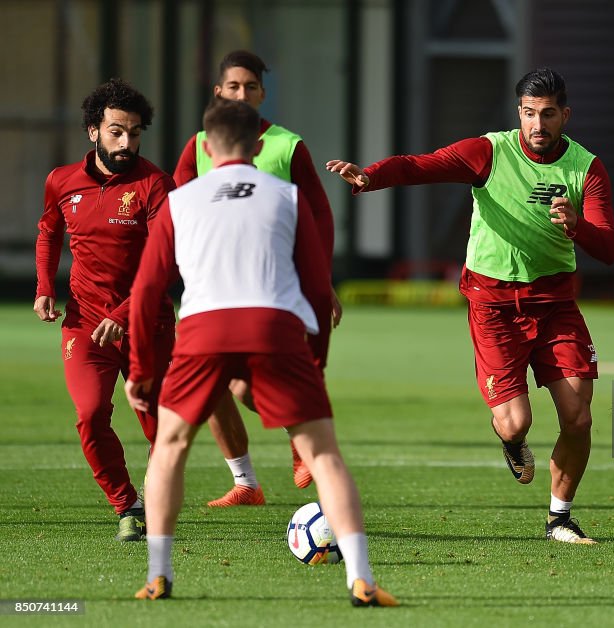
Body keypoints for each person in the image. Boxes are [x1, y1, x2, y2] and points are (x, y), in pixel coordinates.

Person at [326, 67, 614, 544]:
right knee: (515, 420)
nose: (537, 125)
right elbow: (425, 165)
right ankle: (512, 439)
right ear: (518, 114)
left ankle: (559, 519)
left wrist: (576, 227)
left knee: (579, 415)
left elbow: (608, 247)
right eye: (528, 114)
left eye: (547, 115)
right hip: (493, 304)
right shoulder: (490, 151)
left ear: (565, 115)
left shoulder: (586, 168)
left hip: (554, 302)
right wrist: (370, 177)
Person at [126, 99, 396, 606]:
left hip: (202, 331)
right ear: (256, 147)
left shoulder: (180, 201)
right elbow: (317, 288)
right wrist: (316, 358)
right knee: (324, 455)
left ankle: (158, 577)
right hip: (274, 327)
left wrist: (141, 370)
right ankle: (361, 579)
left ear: (205, 147)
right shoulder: (287, 198)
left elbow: (146, 290)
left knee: (169, 449)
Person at [173, 50, 342, 507]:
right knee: (214, 390)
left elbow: (320, 216)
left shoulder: (287, 145)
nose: (242, 94)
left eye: (250, 87)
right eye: (234, 87)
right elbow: (176, 212)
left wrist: (321, 281)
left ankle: (297, 432)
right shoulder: (199, 147)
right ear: (218, 93)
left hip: (274, 291)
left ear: (263, 94)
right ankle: (246, 482)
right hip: (213, 290)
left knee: (247, 386)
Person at [34, 78, 176, 542]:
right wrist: (43, 287)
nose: (126, 142)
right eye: (116, 131)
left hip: (146, 325)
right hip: (85, 324)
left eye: (134, 133)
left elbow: (166, 259)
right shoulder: (61, 180)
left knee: (160, 428)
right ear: (93, 131)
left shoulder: (155, 183)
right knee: (91, 415)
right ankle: (126, 504)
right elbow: (49, 232)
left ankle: (157, 502)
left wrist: (124, 313)